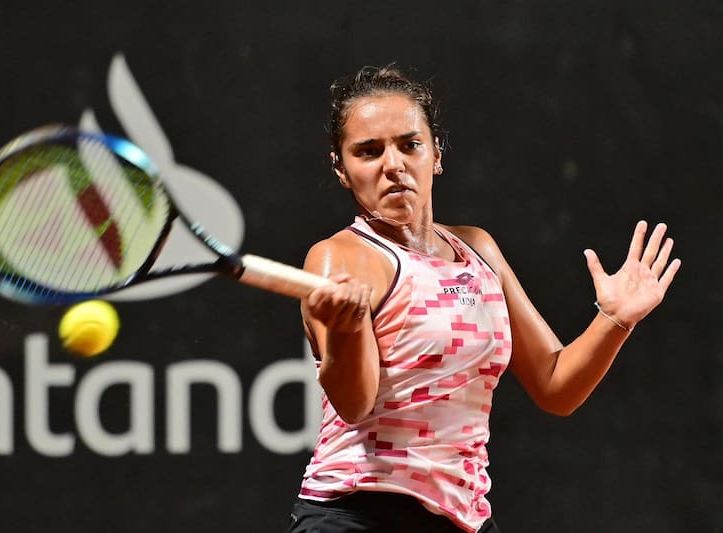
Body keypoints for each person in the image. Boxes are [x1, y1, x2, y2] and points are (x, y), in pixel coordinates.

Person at [287, 65, 681, 533]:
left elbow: (556, 387)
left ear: (436, 154)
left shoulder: (478, 249)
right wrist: (349, 331)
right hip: (359, 515)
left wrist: (614, 320)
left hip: (465, 517)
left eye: (409, 145)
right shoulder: (338, 259)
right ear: (342, 170)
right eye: (368, 152)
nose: (392, 164)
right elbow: (354, 405)